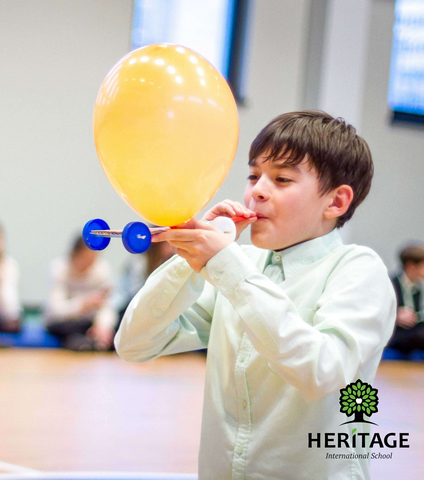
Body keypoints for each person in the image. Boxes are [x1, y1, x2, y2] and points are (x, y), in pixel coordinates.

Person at [115, 110, 395, 479]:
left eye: (281, 178)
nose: (257, 190)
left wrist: (226, 265)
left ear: (336, 202)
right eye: (253, 175)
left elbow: (324, 371)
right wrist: (192, 257)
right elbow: (134, 343)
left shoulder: (357, 268)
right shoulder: (240, 264)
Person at [45, 237, 117, 351]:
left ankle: (94, 341)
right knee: (67, 329)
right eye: (86, 258)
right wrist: (83, 304)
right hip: (64, 323)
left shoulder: (102, 269)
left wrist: (103, 326)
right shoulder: (59, 269)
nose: (90, 263)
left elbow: (107, 305)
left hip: (89, 322)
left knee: (114, 329)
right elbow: (56, 310)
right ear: (75, 254)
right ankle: (84, 342)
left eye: (93, 259)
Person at [110, 240, 176, 320]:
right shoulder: (140, 262)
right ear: (158, 244)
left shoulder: (168, 262)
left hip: (149, 308)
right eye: (168, 244)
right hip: (127, 307)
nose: (172, 249)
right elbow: (135, 294)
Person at [386, 244, 424, 355]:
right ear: (411, 266)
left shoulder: (417, 288)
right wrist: (395, 316)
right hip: (395, 336)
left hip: (411, 337)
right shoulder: (391, 284)